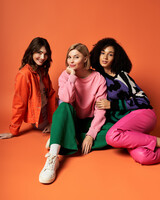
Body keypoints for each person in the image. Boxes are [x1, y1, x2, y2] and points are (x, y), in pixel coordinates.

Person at [39, 43, 113, 184]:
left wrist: (91, 135)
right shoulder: (65, 75)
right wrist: (71, 76)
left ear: (85, 59)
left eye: (76, 57)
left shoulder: (98, 78)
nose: (71, 61)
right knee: (64, 106)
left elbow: (100, 110)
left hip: (88, 122)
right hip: (70, 119)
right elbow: (66, 99)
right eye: (69, 57)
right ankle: (53, 158)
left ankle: (59, 136)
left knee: (113, 132)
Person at [90, 37, 160, 165]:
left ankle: (157, 141)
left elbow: (143, 100)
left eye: (110, 54)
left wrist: (112, 105)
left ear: (115, 58)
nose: (105, 57)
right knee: (144, 157)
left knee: (112, 136)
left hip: (143, 115)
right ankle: (152, 141)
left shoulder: (122, 76)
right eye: (102, 52)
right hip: (125, 127)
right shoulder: (96, 77)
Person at [0, 37, 56, 139]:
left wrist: (53, 121)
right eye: (39, 53)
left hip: (49, 112)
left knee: (69, 102)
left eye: (45, 54)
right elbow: (19, 103)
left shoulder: (42, 71)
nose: (42, 57)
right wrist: (13, 130)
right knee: (68, 111)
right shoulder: (24, 74)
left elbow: (51, 95)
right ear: (32, 52)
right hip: (41, 119)